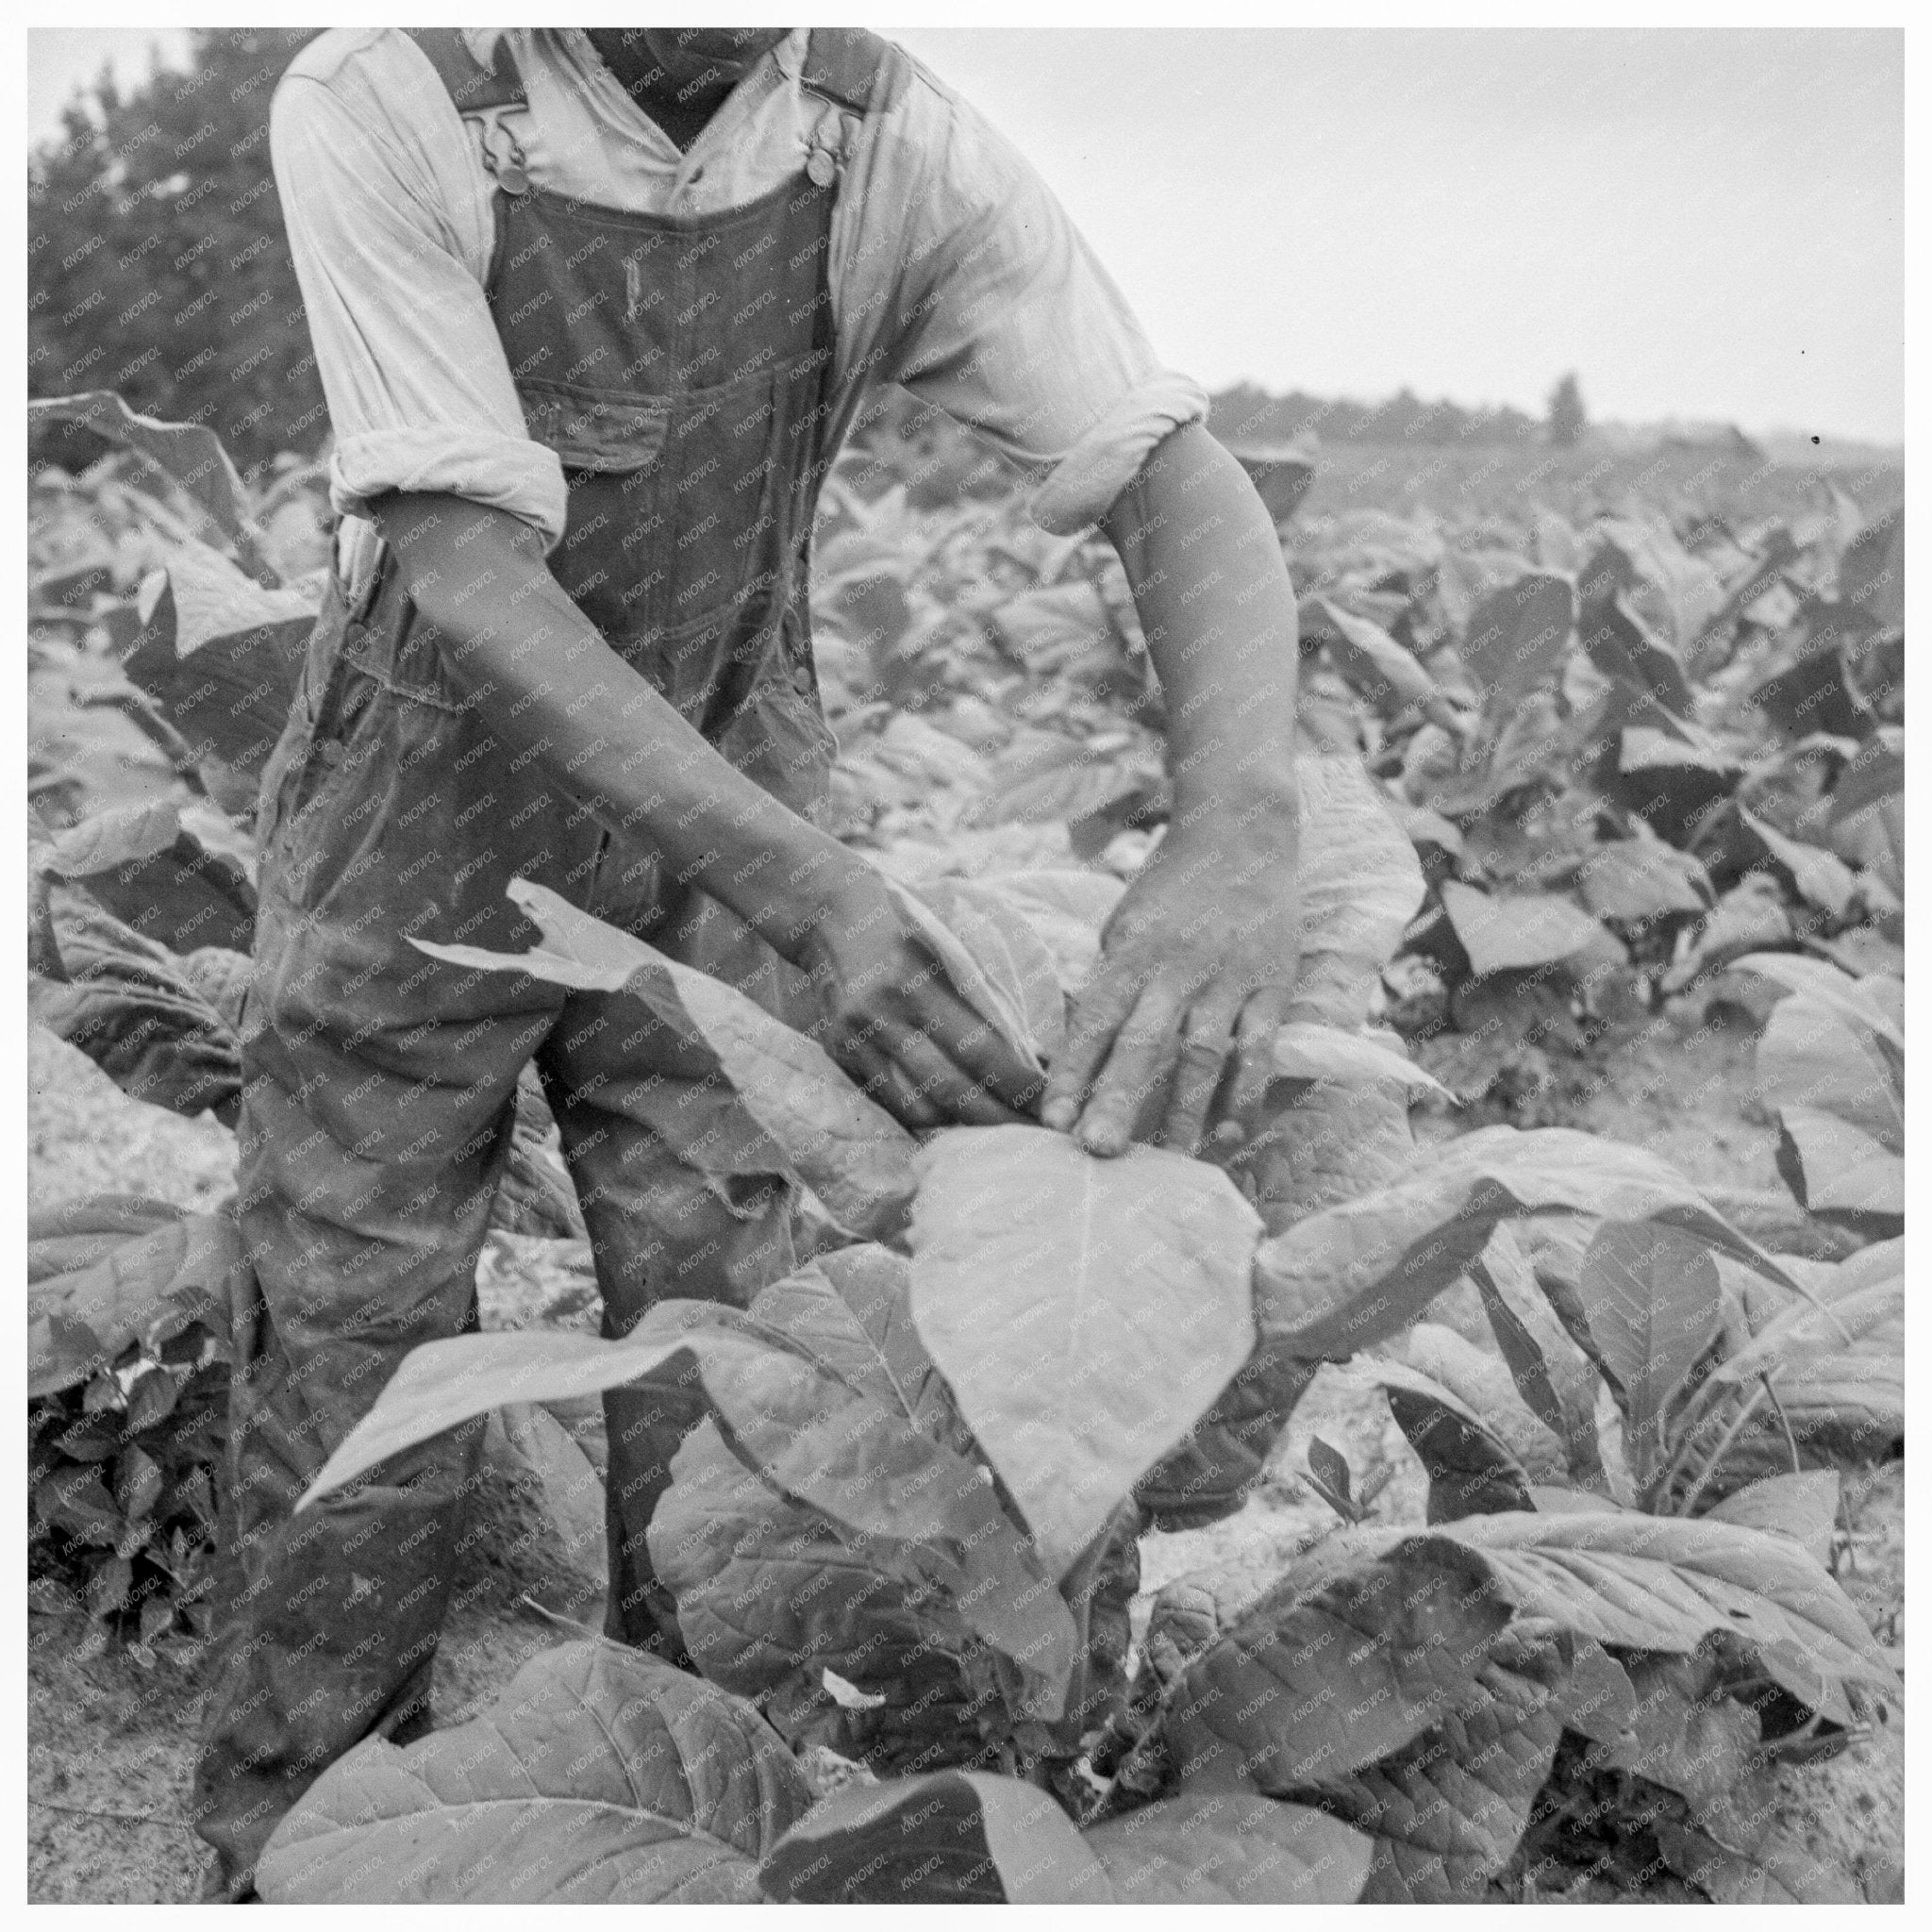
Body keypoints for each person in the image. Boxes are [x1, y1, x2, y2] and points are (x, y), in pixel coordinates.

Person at [193, 25, 1303, 1896]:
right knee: (361, 1333)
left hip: (724, 763)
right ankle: (302, 1839)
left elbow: (1167, 480)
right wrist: (819, 898)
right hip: (426, 806)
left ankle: (697, 1819)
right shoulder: (393, 99)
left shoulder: (886, 139)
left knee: (725, 1329)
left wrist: (1240, 824)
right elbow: (465, 567)